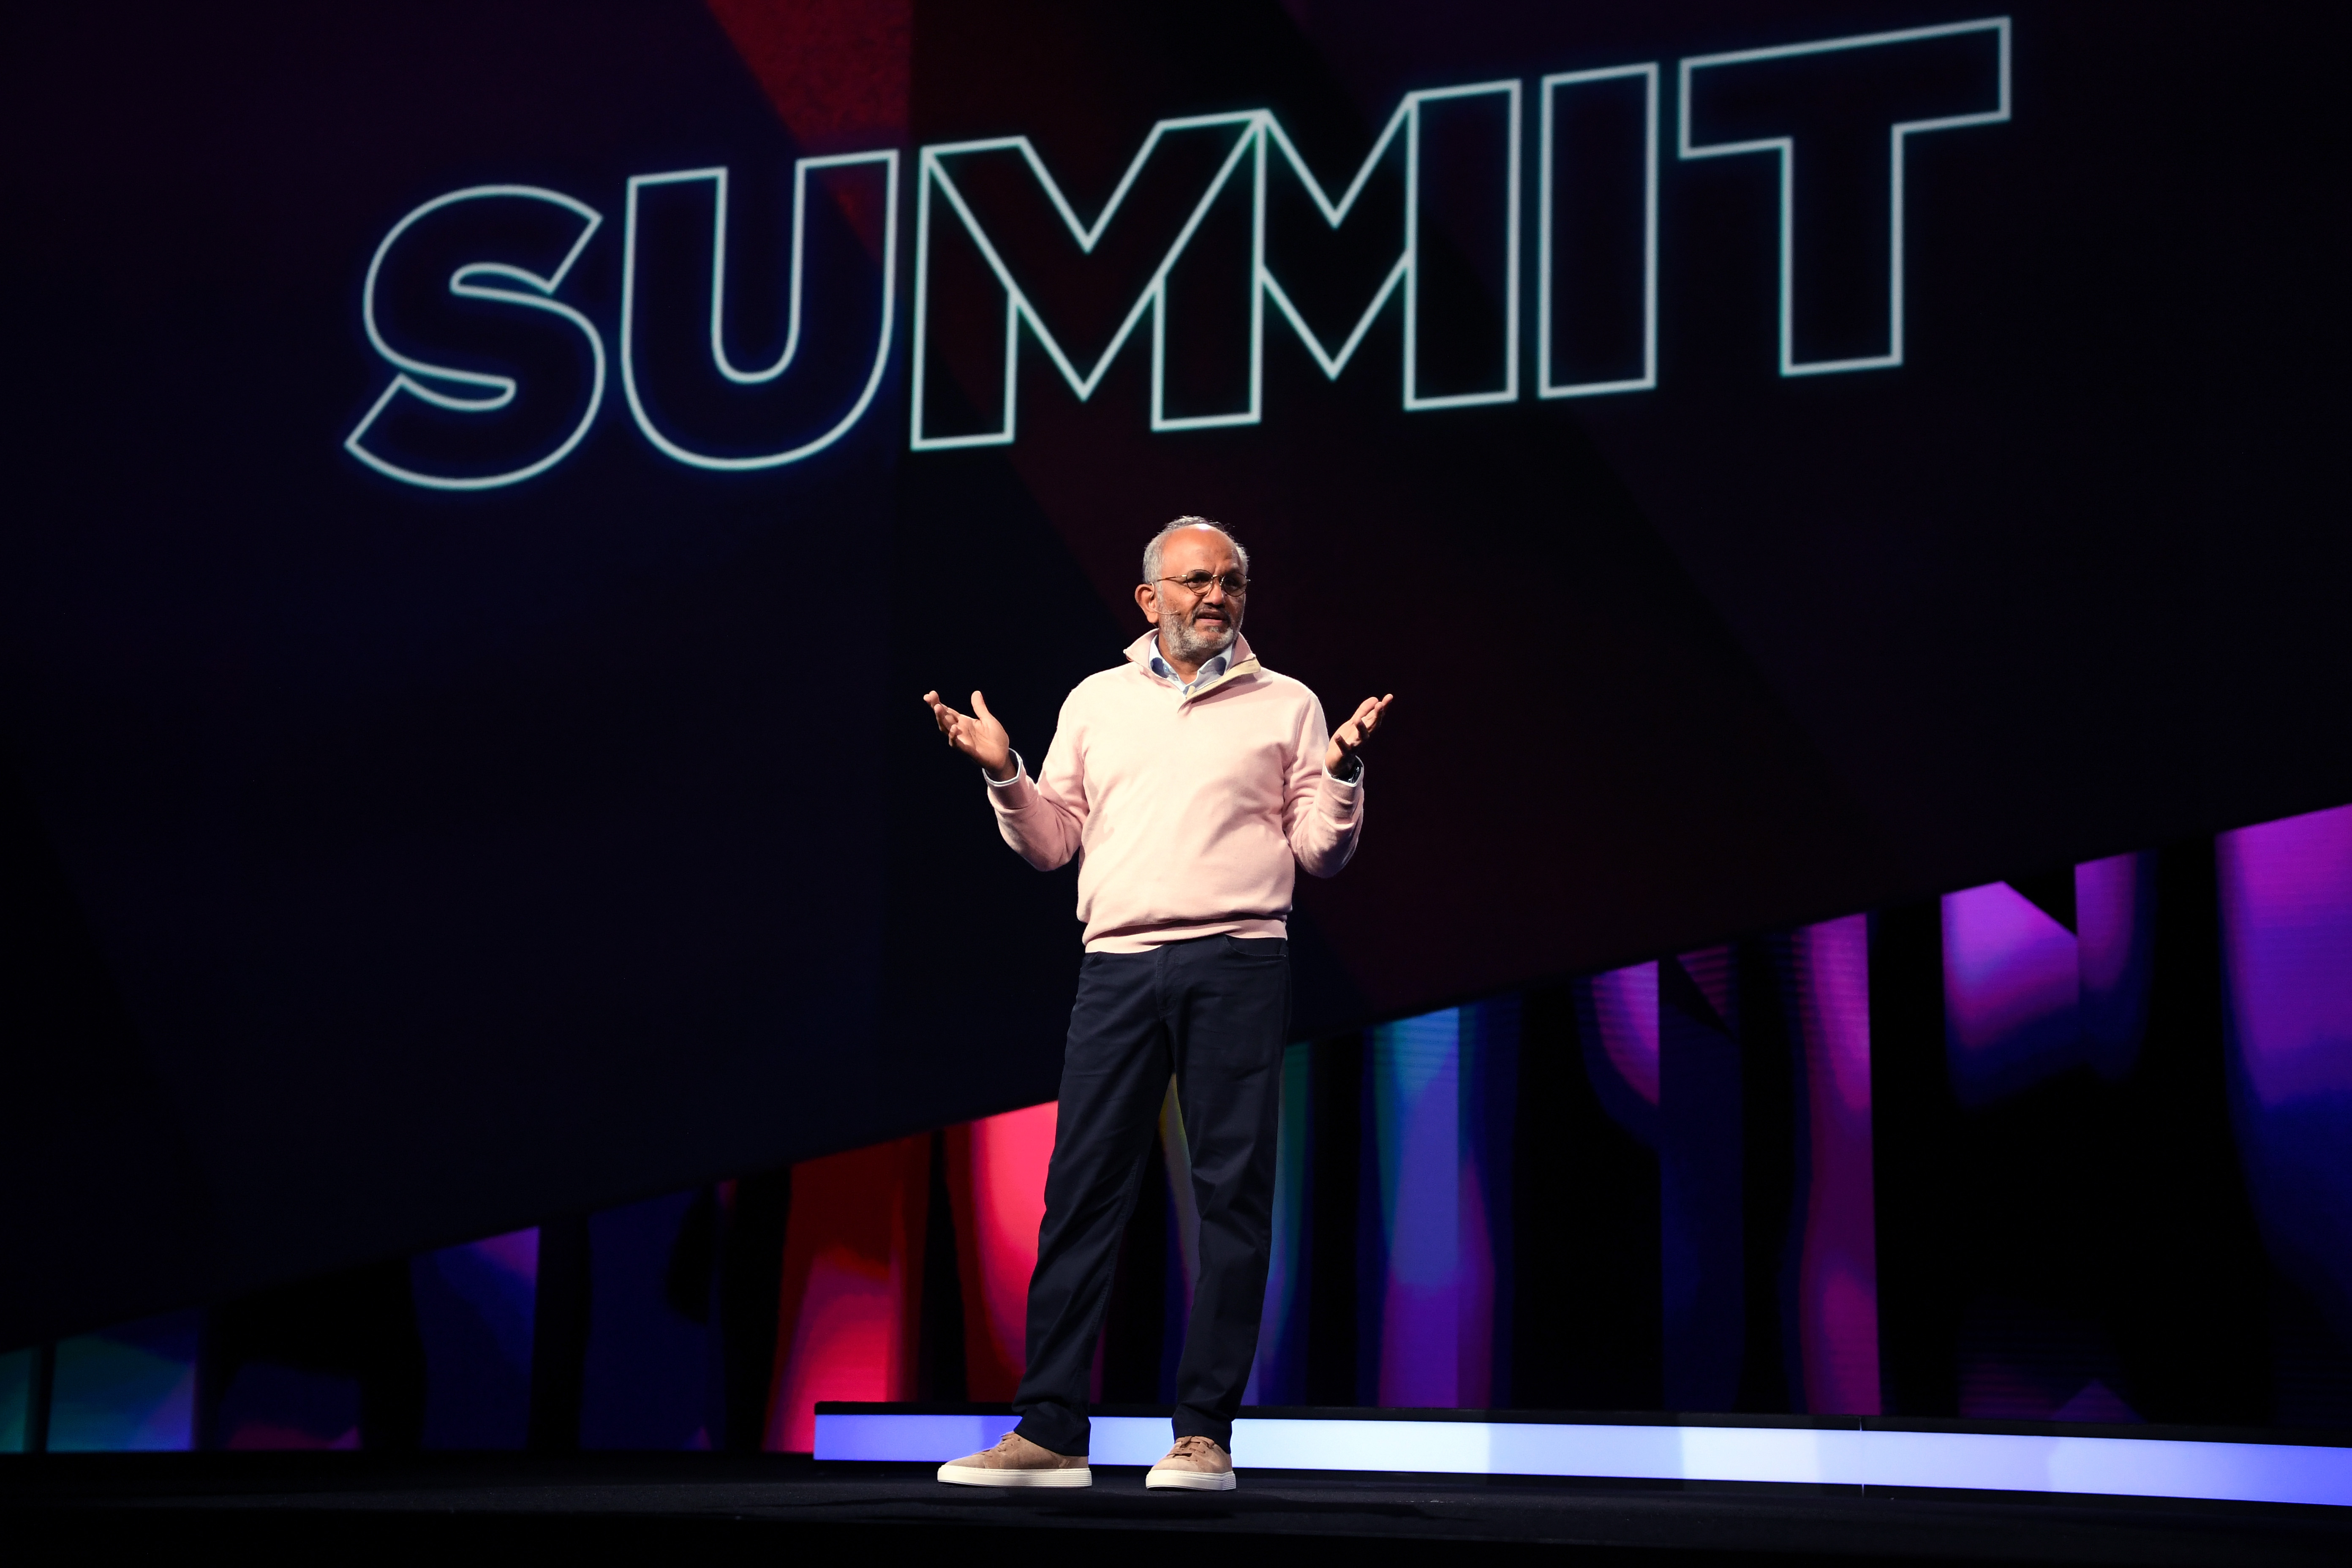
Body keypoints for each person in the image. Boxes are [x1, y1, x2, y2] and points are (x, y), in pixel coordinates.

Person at [921, 516, 1392, 1492]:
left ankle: (1203, 1434)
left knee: (1232, 1200)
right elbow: (1052, 842)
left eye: (1231, 581)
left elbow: (1321, 851)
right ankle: (1051, 1429)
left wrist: (1345, 770)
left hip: (1239, 960)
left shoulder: (1289, 703)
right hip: (1119, 966)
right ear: (1150, 598)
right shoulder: (1096, 700)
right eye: (1195, 580)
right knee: (1080, 1193)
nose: (1216, 595)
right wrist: (1005, 771)